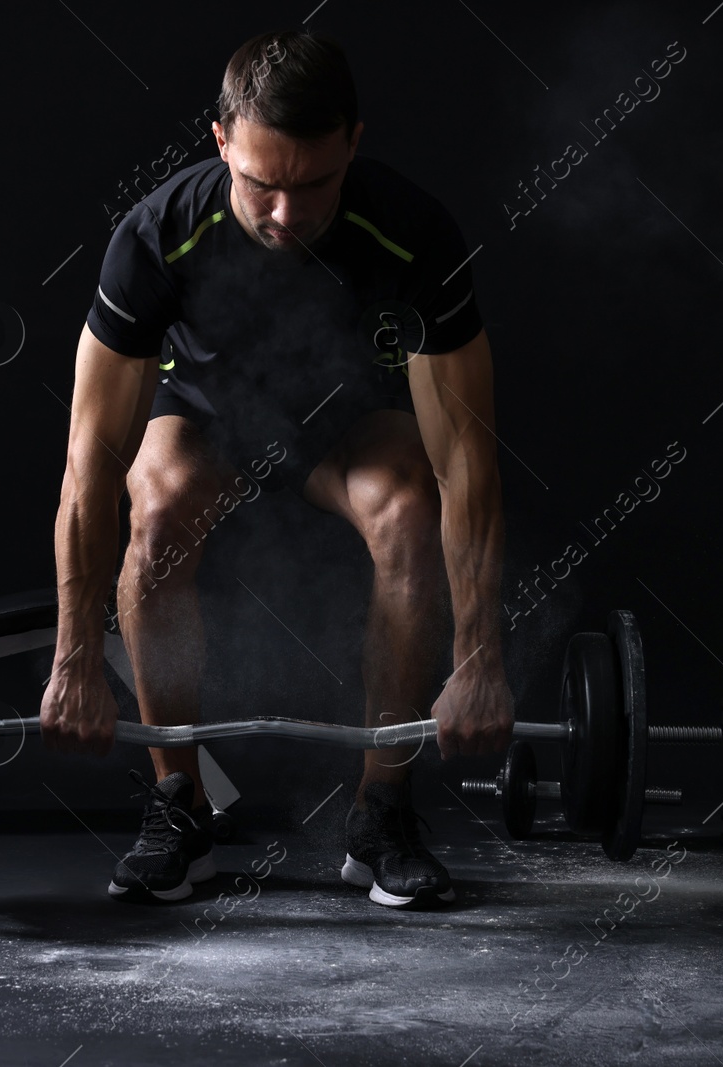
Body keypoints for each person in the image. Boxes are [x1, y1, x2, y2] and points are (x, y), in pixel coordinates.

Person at [40, 27, 514, 908]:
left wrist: (480, 655)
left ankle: (382, 808)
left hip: (344, 429)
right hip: (209, 421)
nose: (287, 215)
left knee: (412, 509)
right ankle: (178, 804)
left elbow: (468, 463)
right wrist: (73, 657)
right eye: (262, 184)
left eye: (313, 184)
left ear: (354, 143)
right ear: (221, 141)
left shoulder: (414, 232)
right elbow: (87, 469)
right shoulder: (154, 239)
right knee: (152, 512)